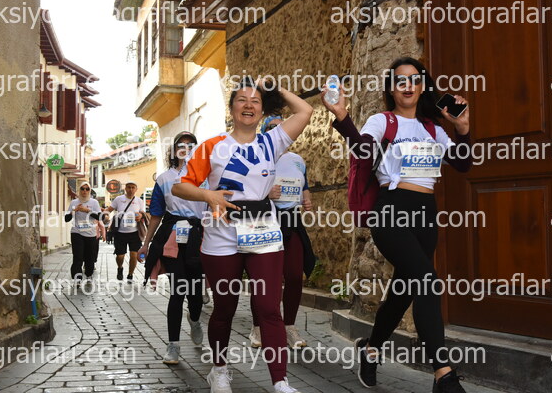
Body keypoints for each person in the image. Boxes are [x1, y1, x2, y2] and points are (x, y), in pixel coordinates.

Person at [322, 57, 472, 393]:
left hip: (425, 216)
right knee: (427, 281)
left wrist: (462, 129)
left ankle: (371, 348)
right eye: (400, 80)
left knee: (403, 292)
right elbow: (364, 150)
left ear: (422, 86)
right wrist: (343, 117)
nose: (408, 86)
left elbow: (462, 163)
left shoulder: (433, 129)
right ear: (392, 88)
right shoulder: (382, 121)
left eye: (415, 80)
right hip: (391, 211)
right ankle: (443, 374)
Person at [172, 79, 313, 393]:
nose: (249, 105)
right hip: (221, 235)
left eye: (256, 101)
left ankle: (280, 381)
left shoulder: (272, 141)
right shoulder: (212, 146)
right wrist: (208, 195)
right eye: (242, 100)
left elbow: (305, 111)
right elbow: (179, 186)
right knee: (225, 308)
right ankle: (219, 370)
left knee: (269, 308)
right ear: (232, 108)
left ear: (262, 110)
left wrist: (274, 88)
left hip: (263, 232)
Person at [137, 131, 206, 365]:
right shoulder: (164, 179)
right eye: (181, 145)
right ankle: (173, 345)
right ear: (174, 150)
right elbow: (156, 214)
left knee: (195, 292)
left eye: (191, 145)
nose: (186, 149)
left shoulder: (207, 175)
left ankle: (194, 319)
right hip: (173, 237)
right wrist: (145, 244)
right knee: (178, 290)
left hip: (198, 237)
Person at [249, 115, 316, 349]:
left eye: (282, 127)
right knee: (265, 278)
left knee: (295, 275)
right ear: (264, 133)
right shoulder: (257, 157)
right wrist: (266, 194)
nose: (278, 132)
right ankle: (258, 327)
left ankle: (289, 327)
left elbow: (304, 185)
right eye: (272, 128)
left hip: (291, 219)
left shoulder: (297, 159)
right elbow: (246, 189)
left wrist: (306, 200)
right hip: (266, 218)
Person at [104, 181, 146, 283]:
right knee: (120, 256)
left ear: (136, 189)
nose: (130, 189)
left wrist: (140, 215)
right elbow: (109, 209)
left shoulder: (139, 201)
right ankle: (120, 267)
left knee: (134, 255)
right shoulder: (119, 199)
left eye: (133, 187)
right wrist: (105, 215)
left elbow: (142, 213)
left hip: (134, 232)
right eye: (129, 187)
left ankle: (130, 274)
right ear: (125, 189)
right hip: (120, 233)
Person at [65, 181, 102, 283]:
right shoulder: (74, 202)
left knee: (89, 257)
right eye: (82, 189)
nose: (84, 191)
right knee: (78, 256)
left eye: (87, 189)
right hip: (77, 232)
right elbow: (66, 219)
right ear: (79, 190)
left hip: (90, 233)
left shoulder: (94, 203)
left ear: (89, 191)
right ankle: (77, 278)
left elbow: (100, 217)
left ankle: (89, 273)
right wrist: (74, 210)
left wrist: (87, 211)